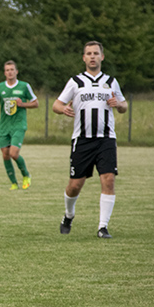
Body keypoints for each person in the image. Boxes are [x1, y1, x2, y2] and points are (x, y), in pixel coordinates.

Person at [52, 41, 127, 239]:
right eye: (89, 53)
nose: (92, 56)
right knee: (75, 185)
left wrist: (118, 104)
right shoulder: (75, 82)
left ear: (102, 57)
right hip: (82, 140)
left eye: (96, 53)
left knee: (108, 180)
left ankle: (103, 227)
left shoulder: (111, 81)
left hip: (106, 139)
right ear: (84, 58)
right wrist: (64, 109)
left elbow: (124, 105)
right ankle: (68, 215)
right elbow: (56, 104)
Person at [0, 61, 38, 190]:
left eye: (12, 69)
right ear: (4, 72)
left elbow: (35, 103)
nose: (10, 72)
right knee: (5, 155)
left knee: (14, 153)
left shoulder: (24, 86)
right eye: (7, 70)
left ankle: (26, 175)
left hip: (19, 125)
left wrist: (22, 104)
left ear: (16, 71)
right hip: (4, 126)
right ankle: (14, 183)